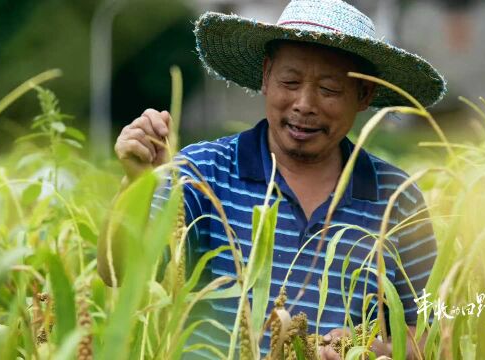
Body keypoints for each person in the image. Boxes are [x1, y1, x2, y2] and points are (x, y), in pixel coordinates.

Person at [109, 0, 445, 358]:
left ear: (364, 95)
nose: (304, 104)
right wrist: (137, 184)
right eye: (290, 81)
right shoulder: (202, 172)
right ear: (266, 75)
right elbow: (120, 272)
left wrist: (371, 347)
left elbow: (438, 327)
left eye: (329, 89)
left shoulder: (397, 198)